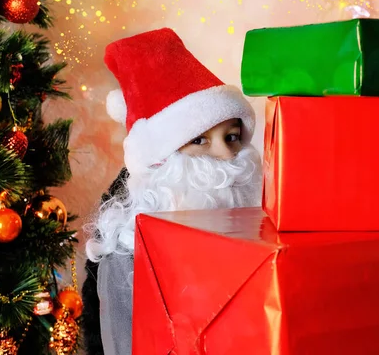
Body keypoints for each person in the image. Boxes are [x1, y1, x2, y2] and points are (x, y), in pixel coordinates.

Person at [81, 28, 262, 355]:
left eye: (232, 136)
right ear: (161, 160)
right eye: (199, 140)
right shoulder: (125, 256)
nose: (226, 154)